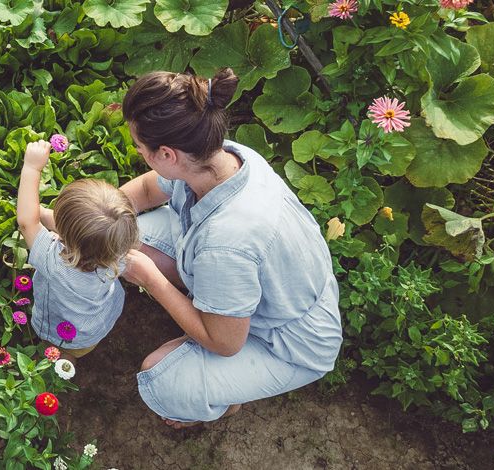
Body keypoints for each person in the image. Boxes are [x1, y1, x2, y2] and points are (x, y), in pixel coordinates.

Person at [118, 68, 343, 428]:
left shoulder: (227, 242)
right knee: (125, 236)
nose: (139, 153)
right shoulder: (222, 157)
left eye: (141, 149)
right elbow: (146, 191)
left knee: (163, 382)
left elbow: (224, 343)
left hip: (289, 342)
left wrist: (150, 278)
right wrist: (99, 212)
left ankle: (223, 401)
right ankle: (212, 314)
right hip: (268, 287)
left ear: (167, 154)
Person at [17, 140, 139, 358]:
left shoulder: (54, 262)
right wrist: (45, 215)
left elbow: (27, 222)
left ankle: (55, 370)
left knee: (58, 354)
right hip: (97, 324)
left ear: (65, 236)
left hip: (64, 332)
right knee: (76, 351)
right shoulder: (118, 250)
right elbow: (84, 237)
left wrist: (32, 167)